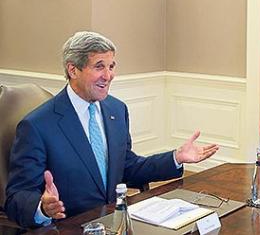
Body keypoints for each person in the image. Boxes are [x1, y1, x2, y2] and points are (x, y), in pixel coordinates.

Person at [5, 31, 219, 228]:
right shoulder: (37, 125)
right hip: (71, 227)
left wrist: (175, 158)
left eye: (111, 66)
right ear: (73, 69)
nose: (108, 76)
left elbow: (127, 167)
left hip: (116, 223)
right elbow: (16, 197)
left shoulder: (116, 109)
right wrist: (42, 207)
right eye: (99, 66)